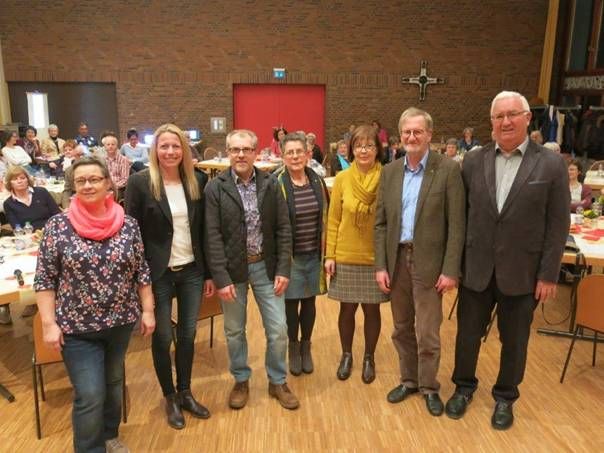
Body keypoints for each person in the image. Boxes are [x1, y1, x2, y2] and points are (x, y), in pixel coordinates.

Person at [445, 91, 570, 430]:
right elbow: (461, 217)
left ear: (528, 118)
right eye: (499, 117)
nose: (506, 122)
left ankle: (505, 397)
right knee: (467, 335)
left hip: (523, 273)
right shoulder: (473, 161)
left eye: (512, 114)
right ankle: (463, 387)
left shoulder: (551, 164)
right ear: (491, 122)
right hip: (477, 269)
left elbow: (558, 224)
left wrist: (548, 274)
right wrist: (454, 266)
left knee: (514, 341)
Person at [34, 156, 155, 453]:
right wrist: (49, 324)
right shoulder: (57, 226)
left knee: (114, 384)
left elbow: (142, 271)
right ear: (73, 186)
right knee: (89, 394)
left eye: (94, 179)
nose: (88, 185)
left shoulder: (128, 224)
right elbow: (44, 279)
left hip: (120, 322)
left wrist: (148, 310)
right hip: (76, 329)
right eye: (81, 181)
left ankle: (109, 435)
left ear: (108, 183)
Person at [374, 107, 466, 416]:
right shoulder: (390, 172)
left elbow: (457, 225)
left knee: (427, 331)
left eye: (418, 132)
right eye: (406, 132)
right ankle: (409, 380)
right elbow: (381, 224)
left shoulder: (448, 169)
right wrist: (381, 265)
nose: (412, 137)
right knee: (401, 328)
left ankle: (429, 387)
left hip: (430, 264)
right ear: (400, 137)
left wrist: (451, 270)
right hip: (397, 260)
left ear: (429, 135)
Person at [125, 123, 215, 430]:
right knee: (163, 338)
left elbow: (203, 230)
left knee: (188, 335)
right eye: (164, 146)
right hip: (157, 274)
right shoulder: (140, 182)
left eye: (176, 146)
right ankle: (170, 397)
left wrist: (208, 273)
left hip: (191, 270)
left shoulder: (197, 180)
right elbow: (132, 233)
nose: (170, 151)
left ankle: (186, 391)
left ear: (184, 150)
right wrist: (139, 279)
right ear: (155, 150)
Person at [205, 129, 299, 410]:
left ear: (256, 153)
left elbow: (283, 228)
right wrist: (221, 277)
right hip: (232, 272)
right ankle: (241, 379)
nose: (241, 155)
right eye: (235, 149)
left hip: (266, 268)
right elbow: (212, 236)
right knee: (234, 330)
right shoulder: (215, 188)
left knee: (278, 329)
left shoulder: (271, 184)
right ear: (228, 152)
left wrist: (283, 268)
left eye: (246, 149)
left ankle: (277, 380)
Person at [325, 125, 388, 384]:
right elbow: (333, 219)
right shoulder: (342, 178)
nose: (364, 150)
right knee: (347, 310)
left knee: (372, 311)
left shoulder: (388, 177)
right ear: (351, 149)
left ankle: (369, 357)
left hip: (375, 256)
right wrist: (330, 255)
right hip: (346, 254)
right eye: (359, 145)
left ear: (378, 150)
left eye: (369, 145)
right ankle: (347, 354)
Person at [275, 133, 330, 376]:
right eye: (290, 152)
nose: (296, 156)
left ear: (308, 154)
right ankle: (293, 347)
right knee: (290, 305)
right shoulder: (276, 183)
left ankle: (306, 347)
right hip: (290, 257)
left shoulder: (317, 180)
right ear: (282, 155)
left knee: (309, 303)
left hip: (313, 254)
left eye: (300, 152)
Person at [3, 165, 61, 231]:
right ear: (10, 183)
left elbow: (57, 214)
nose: (19, 181)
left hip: (52, 230)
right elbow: (17, 228)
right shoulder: (8, 204)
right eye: (15, 179)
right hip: (29, 236)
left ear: (27, 180)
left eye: (22, 178)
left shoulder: (42, 192)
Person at [101, 131, 131, 201]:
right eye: (108, 145)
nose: (110, 146)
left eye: (113, 144)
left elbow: (125, 179)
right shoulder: (102, 160)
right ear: (105, 147)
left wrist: (113, 187)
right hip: (105, 187)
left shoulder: (123, 160)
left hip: (119, 189)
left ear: (117, 146)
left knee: (110, 196)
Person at [60, 142, 84, 209]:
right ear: (74, 155)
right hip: (76, 200)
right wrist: (66, 207)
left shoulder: (95, 168)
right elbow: (67, 191)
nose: (81, 157)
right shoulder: (69, 170)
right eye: (78, 155)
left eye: (82, 155)